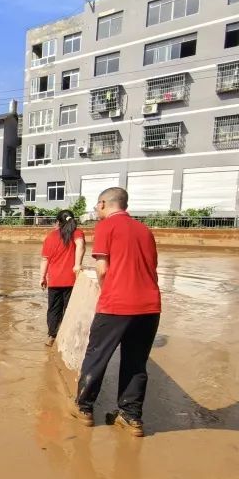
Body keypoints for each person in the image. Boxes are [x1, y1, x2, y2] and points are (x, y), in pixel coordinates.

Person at [72, 187, 161, 437]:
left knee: (97, 356)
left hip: (117, 304)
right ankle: (131, 417)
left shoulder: (105, 227)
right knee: (136, 362)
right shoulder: (145, 230)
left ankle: (85, 409)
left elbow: (102, 269)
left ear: (103, 204)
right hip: (150, 307)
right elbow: (150, 267)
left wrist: (105, 293)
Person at [40, 209, 86, 346]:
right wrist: (77, 265)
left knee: (54, 309)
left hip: (54, 280)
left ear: (58, 222)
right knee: (70, 309)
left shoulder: (51, 236)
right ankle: (68, 338)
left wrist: (42, 277)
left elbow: (45, 259)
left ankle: (52, 336)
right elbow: (81, 246)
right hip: (72, 280)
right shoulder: (77, 234)